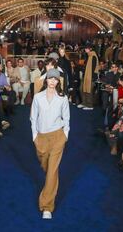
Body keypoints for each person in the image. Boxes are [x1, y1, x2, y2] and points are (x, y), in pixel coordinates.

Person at [30, 68, 70, 220]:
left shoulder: (63, 98)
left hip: (58, 137)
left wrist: (65, 135)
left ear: (58, 81)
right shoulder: (38, 97)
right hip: (41, 138)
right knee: (46, 167)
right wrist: (34, 136)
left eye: (55, 79)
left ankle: (47, 206)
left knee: (52, 171)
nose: (53, 81)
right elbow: (33, 117)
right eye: (50, 78)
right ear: (46, 80)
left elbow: (66, 118)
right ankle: (50, 185)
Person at [78, 46, 99, 110]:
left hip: (91, 77)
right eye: (85, 48)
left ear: (90, 49)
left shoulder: (93, 56)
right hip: (86, 75)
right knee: (81, 89)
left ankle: (89, 105)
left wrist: (91, 78)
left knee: (88, 90)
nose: (85, 49)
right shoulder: (88, 56)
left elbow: (93, 69)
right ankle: (84, 103)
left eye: (87, 48)